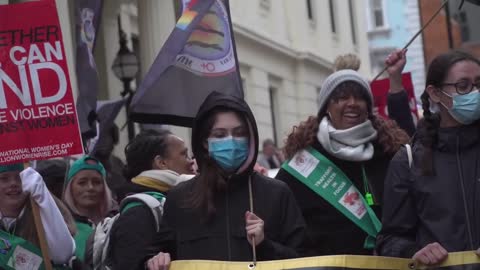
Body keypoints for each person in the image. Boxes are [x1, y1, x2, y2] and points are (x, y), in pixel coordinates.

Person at [145, 91, 306, 270]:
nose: (231, 141)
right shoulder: (180, 198)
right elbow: (160, 252)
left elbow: (303, 259)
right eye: (220, 135)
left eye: (239, 133)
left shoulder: (277, 193)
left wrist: (264, 245)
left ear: (250, 137)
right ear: (205, 142)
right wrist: (156, 260)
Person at [275, 68, 410, 256]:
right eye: (341, 97)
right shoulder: (303, 163)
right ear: (326, 107)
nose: (352, 103)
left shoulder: (389, 151)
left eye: (360, 97)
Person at [376, 50, 480, 266]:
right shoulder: (409, 160)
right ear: (435, 93)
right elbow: (389, 240)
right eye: (463, 86)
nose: (475, 92)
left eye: (479, 83)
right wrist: (415, 251)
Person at [108, 129, 195, 270]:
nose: (192, 162)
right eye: (184, 155)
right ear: (161, 163)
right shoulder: (138, 212)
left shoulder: (177, 197)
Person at [0, 164, 76, 268]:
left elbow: (63, 255)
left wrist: (43, 197)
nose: (13, 183)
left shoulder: (44, 212)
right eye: (4, 178)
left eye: (20, 177)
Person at [63, 156, 116, 262]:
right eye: (82, 183)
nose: (90, 187)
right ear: (70, 187)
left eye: (96, 182)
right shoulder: (63, 228)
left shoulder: (116, 222)